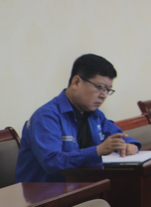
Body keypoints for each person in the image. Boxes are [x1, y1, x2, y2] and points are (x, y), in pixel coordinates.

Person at [15, 53, 140, 182]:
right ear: (76, 82)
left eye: (108, 90)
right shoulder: (46, 117)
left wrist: (129, 144)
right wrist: (97, 151)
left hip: (84, 185)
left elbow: (117, 135)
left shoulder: (95, 114)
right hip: (46, 191)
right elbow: (52, 162)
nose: (104, 95)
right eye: (100, 87)